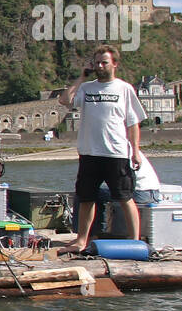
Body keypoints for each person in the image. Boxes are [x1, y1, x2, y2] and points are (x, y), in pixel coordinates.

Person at [57, 45, 145, 252]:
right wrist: (81, 77)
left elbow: (133, 123)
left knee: (125, 198)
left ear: (114, 64)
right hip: (89, 153)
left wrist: (136, 151)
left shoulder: (124, 89)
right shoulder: (87, 88)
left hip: (116, 153)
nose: (100, 66)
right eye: (97, 62)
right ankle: (81, 240)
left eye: (104, 62)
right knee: (86, 198)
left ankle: (135, 241)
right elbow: (64, 100)